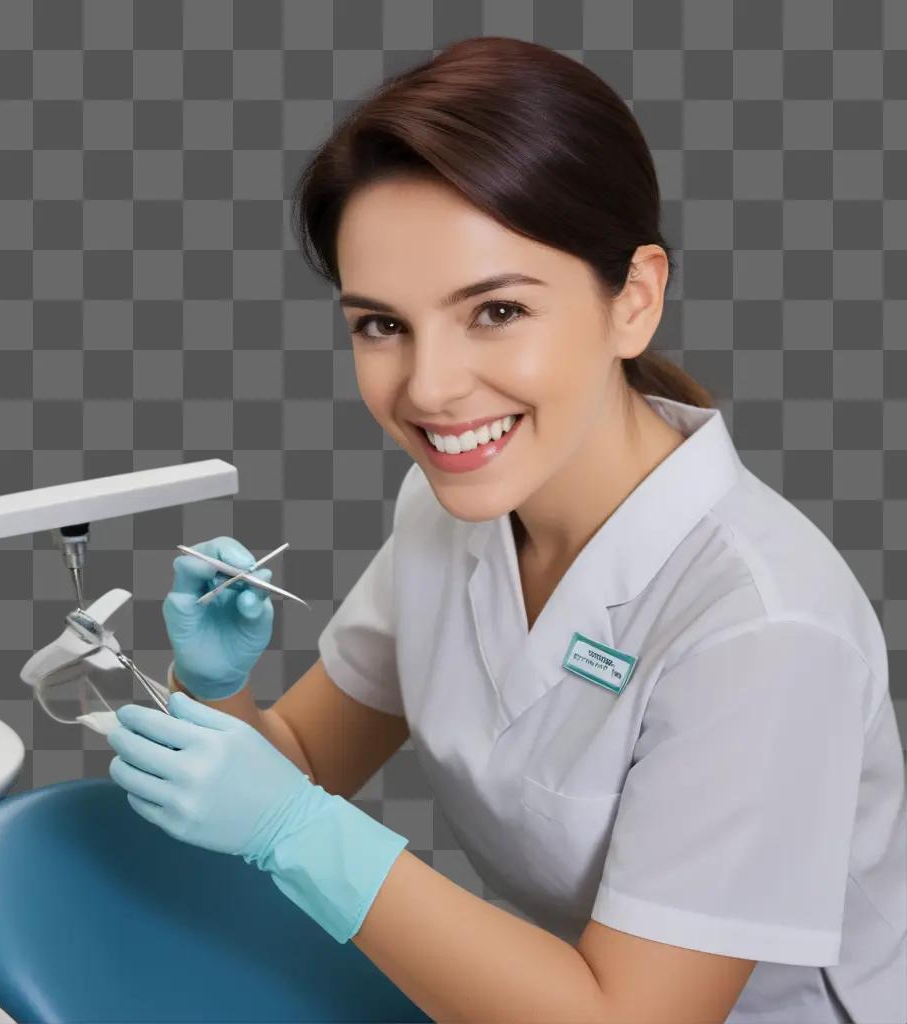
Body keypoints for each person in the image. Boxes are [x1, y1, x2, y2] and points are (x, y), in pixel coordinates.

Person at [105, 36, 906, 1024]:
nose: (429, 389)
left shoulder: (766, 630)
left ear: (634, 299)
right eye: (381, 324)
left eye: (495, 310)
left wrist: (290, 826)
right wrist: (217, 692)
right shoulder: (450, 515)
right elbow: (301, 762)